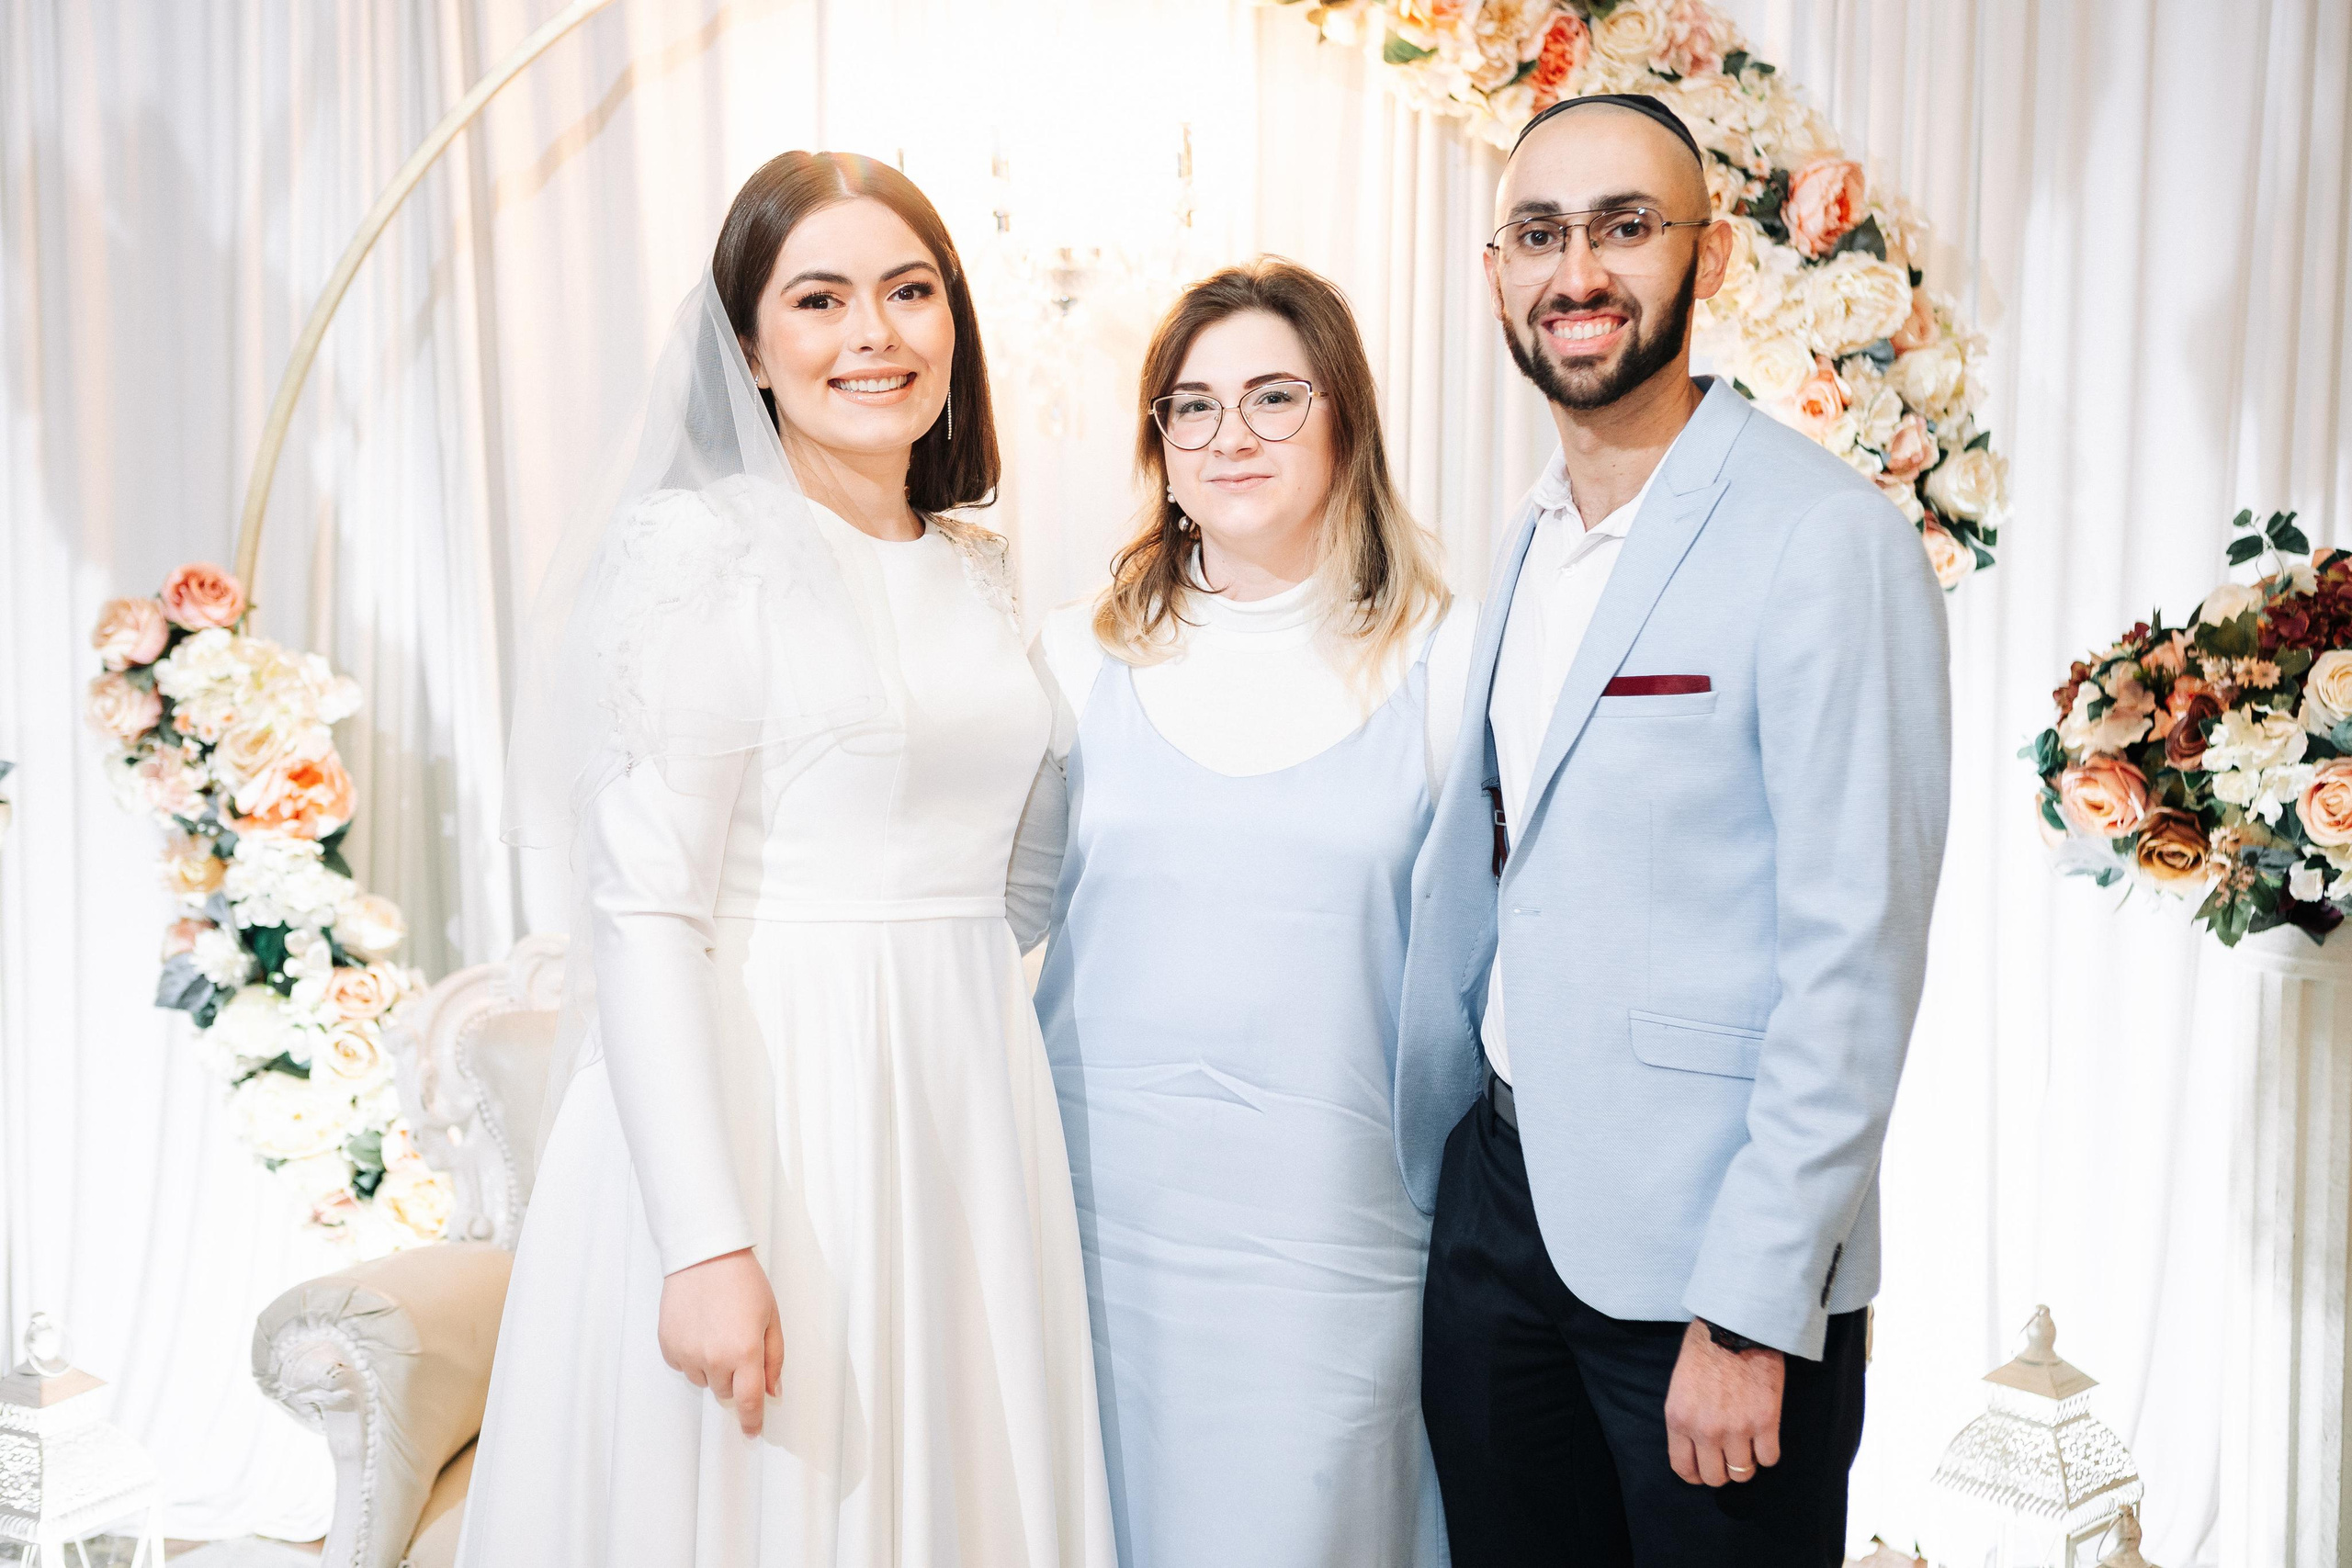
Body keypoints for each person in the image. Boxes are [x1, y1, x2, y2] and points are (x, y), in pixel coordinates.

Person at [461, 152, 1114, 1567]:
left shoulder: (978, 567)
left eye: (910, 291)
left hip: (965, 1097)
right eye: (819, 300)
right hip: (773, 1105)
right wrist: (703, 1238)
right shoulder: (703, 555)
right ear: (750, 349)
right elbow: (645, 913)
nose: (874, 333)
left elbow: (1017, 871)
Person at [1396, 95, 1952, 1567]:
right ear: (1498, 275)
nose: (1578, 270)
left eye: (1625, 227)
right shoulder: (1527, 532)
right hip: (1499, 1219)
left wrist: (1755, 1309)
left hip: (1708, 1273)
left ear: (1705, 258)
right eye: (1539, 234)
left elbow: (1855, 960)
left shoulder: (1825, 537)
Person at [1012, 258, 1476, 1567]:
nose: (1232, 436)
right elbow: (990, 920)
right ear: (1158, 441)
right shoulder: (1073, 657)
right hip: (1105, 1239)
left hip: (1343, 1247)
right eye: (1194, 405)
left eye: (1276, 397)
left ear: (1345, 420)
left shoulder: (1446, 659)